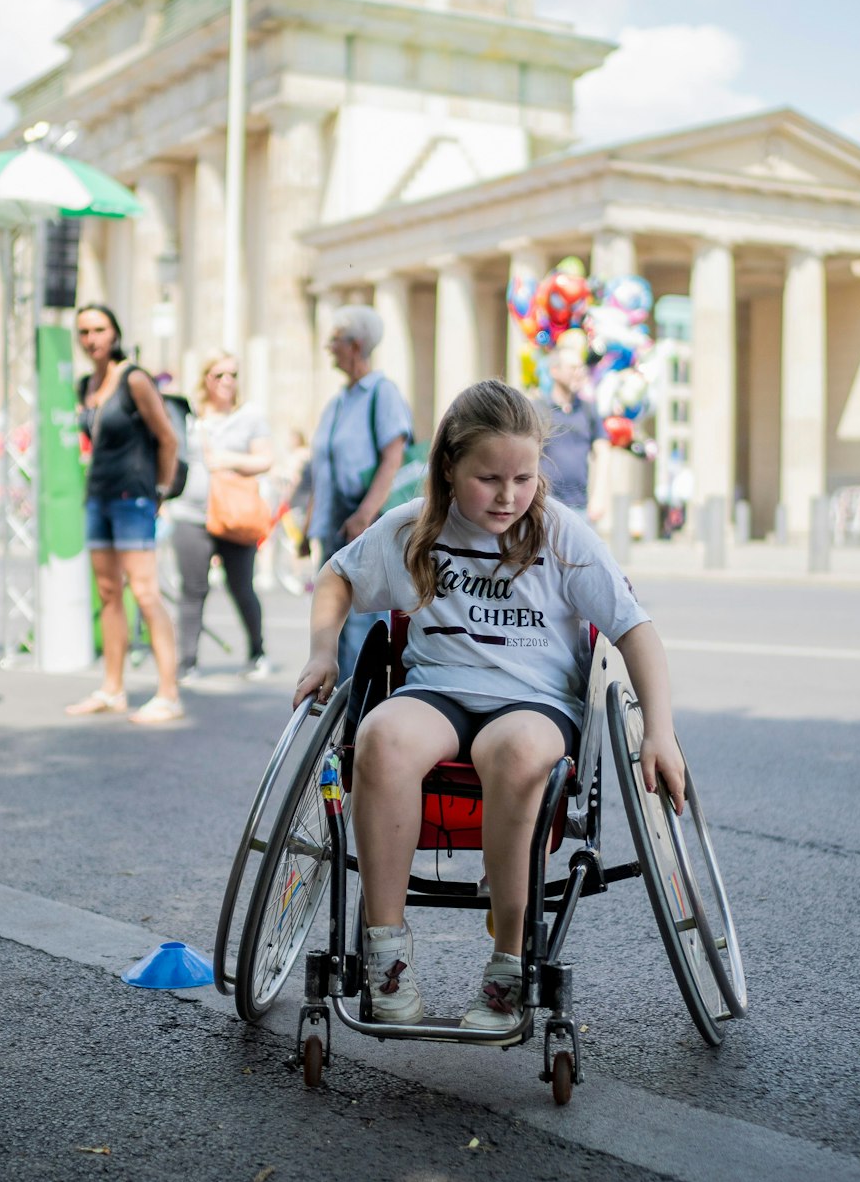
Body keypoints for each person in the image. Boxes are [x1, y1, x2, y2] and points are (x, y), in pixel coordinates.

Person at [293, 379, 685, 1032]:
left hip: (533, 701)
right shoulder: (415, 528)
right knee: (381, 736)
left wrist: (660, 731)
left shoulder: (561, 536)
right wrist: (322, 652)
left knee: (519, 751)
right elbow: (337, 575)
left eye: (523, 478)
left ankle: (509, 959)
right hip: (438, 691)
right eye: (489, 479)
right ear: (449, 467)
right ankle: (385, 953)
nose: (507, 496)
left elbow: (634, 630)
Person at [66, 304, 184, 724]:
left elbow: (167, 438)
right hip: (97, 496)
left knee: (146, 593)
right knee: (108, 593)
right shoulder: (86, 384)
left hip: (133, 497)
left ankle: (168, 694)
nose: (91, 338)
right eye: (84, 331)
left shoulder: (134, 378)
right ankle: (112, 689)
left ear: (115, 333)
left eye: (99, 329)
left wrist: (160, 492)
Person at [307, 304, 412, 678]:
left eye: (335, 339)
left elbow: (393, 458)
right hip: (335, 523)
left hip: (363, 523)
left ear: (355, 345)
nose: (328, 347)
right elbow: (324, 468)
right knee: (330, 617)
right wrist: (310, 523)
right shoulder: (339, 402)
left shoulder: (381, 393)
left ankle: (360, 700)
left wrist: (365, 515)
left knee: (360, 624)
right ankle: (339, 695)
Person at [166, 350, 275, 680]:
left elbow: (265, 459)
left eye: (233, 375)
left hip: (235, 515)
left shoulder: (249, 416)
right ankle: (187, 662)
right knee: (192, 590)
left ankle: (257, 653)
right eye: (219, 375)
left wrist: (229, 460)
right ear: (205, 379)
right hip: (190, 514)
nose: (228, 381)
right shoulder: (189, 416)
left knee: (241, 587)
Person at [539, 348, 609, 523]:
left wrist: (599, 496)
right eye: (572, 368)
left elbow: (603, 451)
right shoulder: (538, 408)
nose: (579, 373)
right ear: (554, 371)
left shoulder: (588, 410)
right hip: (544, 507)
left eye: (581, 368)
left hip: (580, 509)